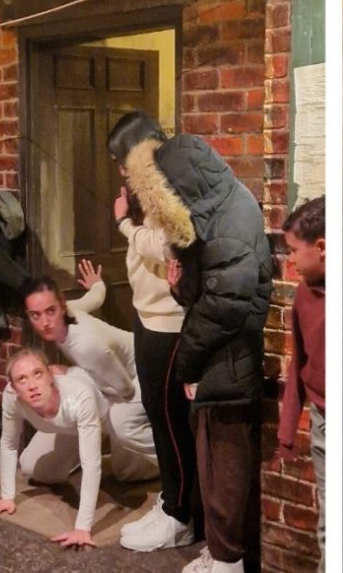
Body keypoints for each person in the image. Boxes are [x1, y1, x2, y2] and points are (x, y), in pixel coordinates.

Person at [108, 112, 275, 573]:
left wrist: (124, 225)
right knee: (183, 432)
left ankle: (187, 520)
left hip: (185, 331)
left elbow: (189, 258)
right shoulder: (208, 199)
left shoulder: (200, 200)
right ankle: (187, 519)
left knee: (195, 438)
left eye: (124, 161)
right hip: (164, 318)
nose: (123, 172)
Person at [0, 348, 158, 550]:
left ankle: (157, 446)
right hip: (72, 426)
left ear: (50, 375)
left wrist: (82, 528)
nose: (32, 385)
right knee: (34, 468)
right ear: (13, 387)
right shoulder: (12, 397)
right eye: (22, 379)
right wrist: (7, 497)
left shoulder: (78, 395)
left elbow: (91, 463)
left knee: (124, 473)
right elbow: (9, 444)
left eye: (37, 374)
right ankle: (96, 444)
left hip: (109, 414)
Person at [113, 166, 197, 553]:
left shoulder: (169, 191)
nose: (124, 172)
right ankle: (169, 501)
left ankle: (180, 515)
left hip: (169, 321)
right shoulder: (141, 196)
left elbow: (167, 245)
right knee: (156, 413)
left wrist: (123, 225)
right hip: (147, 315)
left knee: (169, 420)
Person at [21, 269, 154, 471]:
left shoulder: (87, 345)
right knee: (33, 466)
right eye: (35, 315)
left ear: (61, 306)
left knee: (124, 450)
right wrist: (97, 284)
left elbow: (125, 389)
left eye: (50, 311)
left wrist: (70, 374)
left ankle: (181, 467)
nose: (45, 323)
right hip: (110, 384)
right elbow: (94, 298)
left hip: (140, 373)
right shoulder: (69, 311)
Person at [278, 197, 327, 556]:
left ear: (321, 246)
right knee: (330, 525)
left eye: (294, 250)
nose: (289, 259)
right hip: (323, 420)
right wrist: (287, 431)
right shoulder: (303, 295)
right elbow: (298, 362)